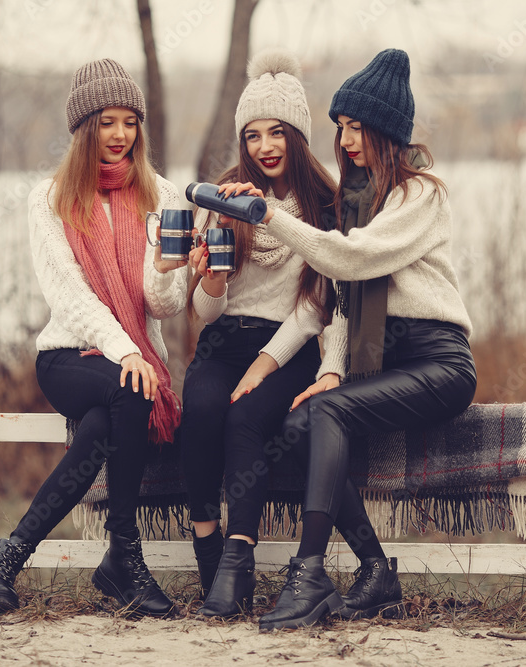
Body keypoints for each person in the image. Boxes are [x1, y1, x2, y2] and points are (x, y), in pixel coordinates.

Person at [220, 48, 478, 632]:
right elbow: (335, 301)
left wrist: (268, 214)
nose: (348, 140)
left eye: (358, 127)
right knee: (297, 424)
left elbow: (350, 259)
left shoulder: (420, 196)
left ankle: (308, 572)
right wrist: (330, 369)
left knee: (325, 414)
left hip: (438, 362)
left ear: (386, 131)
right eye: (341, 127)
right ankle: (374, 570)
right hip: (380, 366)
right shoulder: (355, 201)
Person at [0, 59, 188, 618]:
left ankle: (9, 561)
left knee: (102, 426)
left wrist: (167, 271)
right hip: (70, 356)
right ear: (83, 127)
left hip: (130, 364)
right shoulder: (50, 198)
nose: (120, 135)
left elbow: (166, 306)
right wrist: (127, 352)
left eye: (129, 122)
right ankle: (125, 558)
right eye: (107, 122)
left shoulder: (162, 193)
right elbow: (68, 296)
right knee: (131, 388)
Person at [179, 49, 339, 617]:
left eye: (277, 133)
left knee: (245, 416)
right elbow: (202, 312)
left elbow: (316, 308)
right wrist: (215, 278)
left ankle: (238, 563)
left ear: (297, 135)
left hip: (286, 349)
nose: (264, 146)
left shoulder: (324, 204)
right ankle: (207, 550)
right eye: (252, 135)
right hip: (223, 343)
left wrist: (267, 362)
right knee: (199, 409)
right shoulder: (224, 197)